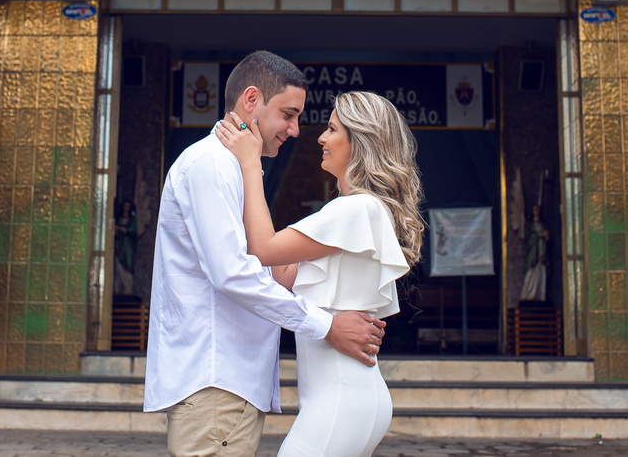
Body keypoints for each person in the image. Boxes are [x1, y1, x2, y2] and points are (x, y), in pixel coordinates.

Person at [145, 51, 387, 457]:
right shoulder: (213, 165)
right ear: (251, 100)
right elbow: (233, 273)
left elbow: (266, 266)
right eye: (288, 115)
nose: (296, 131)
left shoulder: (237, 167)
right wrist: (326, 325)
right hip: (216, 380)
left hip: (229, 383)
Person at [216, 90, 425, 457]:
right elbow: (280, 274)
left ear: (359, 141)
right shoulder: (355, 210)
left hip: (341, 400)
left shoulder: (354, 210)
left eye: (331, 129)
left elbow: (264, 249)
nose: (321, 138)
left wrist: (250, 164)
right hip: (348, 397)